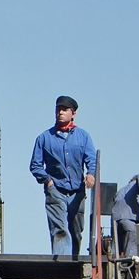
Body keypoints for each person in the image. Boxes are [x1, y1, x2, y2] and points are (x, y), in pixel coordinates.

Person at [30, 96, 97, 259]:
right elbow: (35, 165)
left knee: (76, 230)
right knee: (59, 228)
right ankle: (62, 264)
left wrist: (90, 174)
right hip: (55, 190)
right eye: (58, 109)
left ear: (73, 113)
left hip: (77, 191)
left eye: (64, 110)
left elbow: (92, 159)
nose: (60, 112)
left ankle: (73, 262)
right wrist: (48, 181)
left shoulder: (83, 136)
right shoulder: (44, 138)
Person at [111, 174, 139, 258]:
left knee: (116, 249)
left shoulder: (121, 191)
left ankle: (114, 268)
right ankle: (129, 267)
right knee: (134, 240)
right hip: (128, 219)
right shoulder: (135, 184)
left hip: (115, 220)